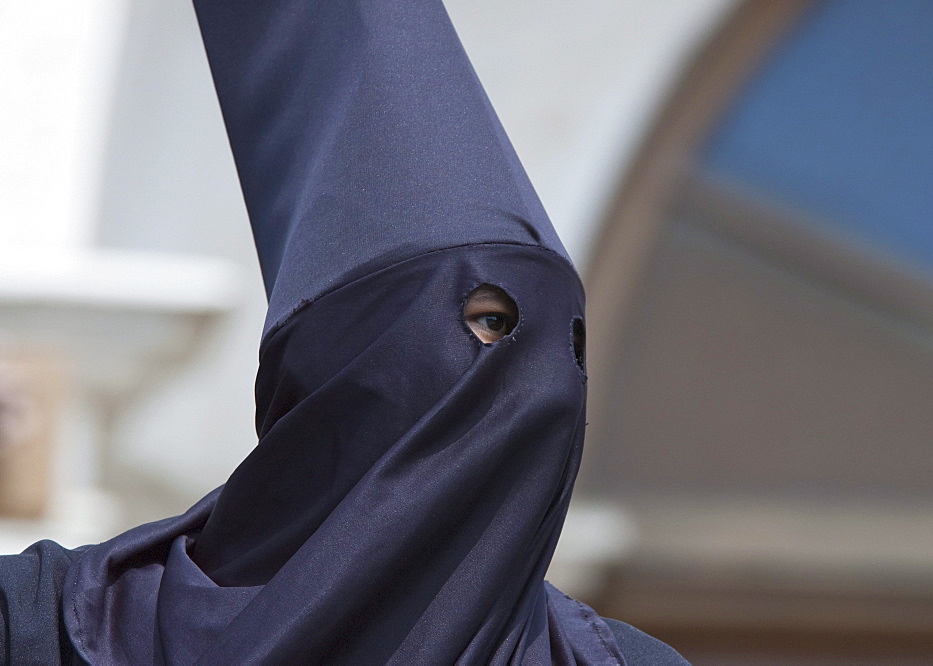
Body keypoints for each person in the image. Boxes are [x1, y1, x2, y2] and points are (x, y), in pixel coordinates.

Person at [0, 1, 687, 663]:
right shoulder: (44, 626)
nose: (546, 380)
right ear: (348, 361)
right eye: (492, 321)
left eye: (570, 344)